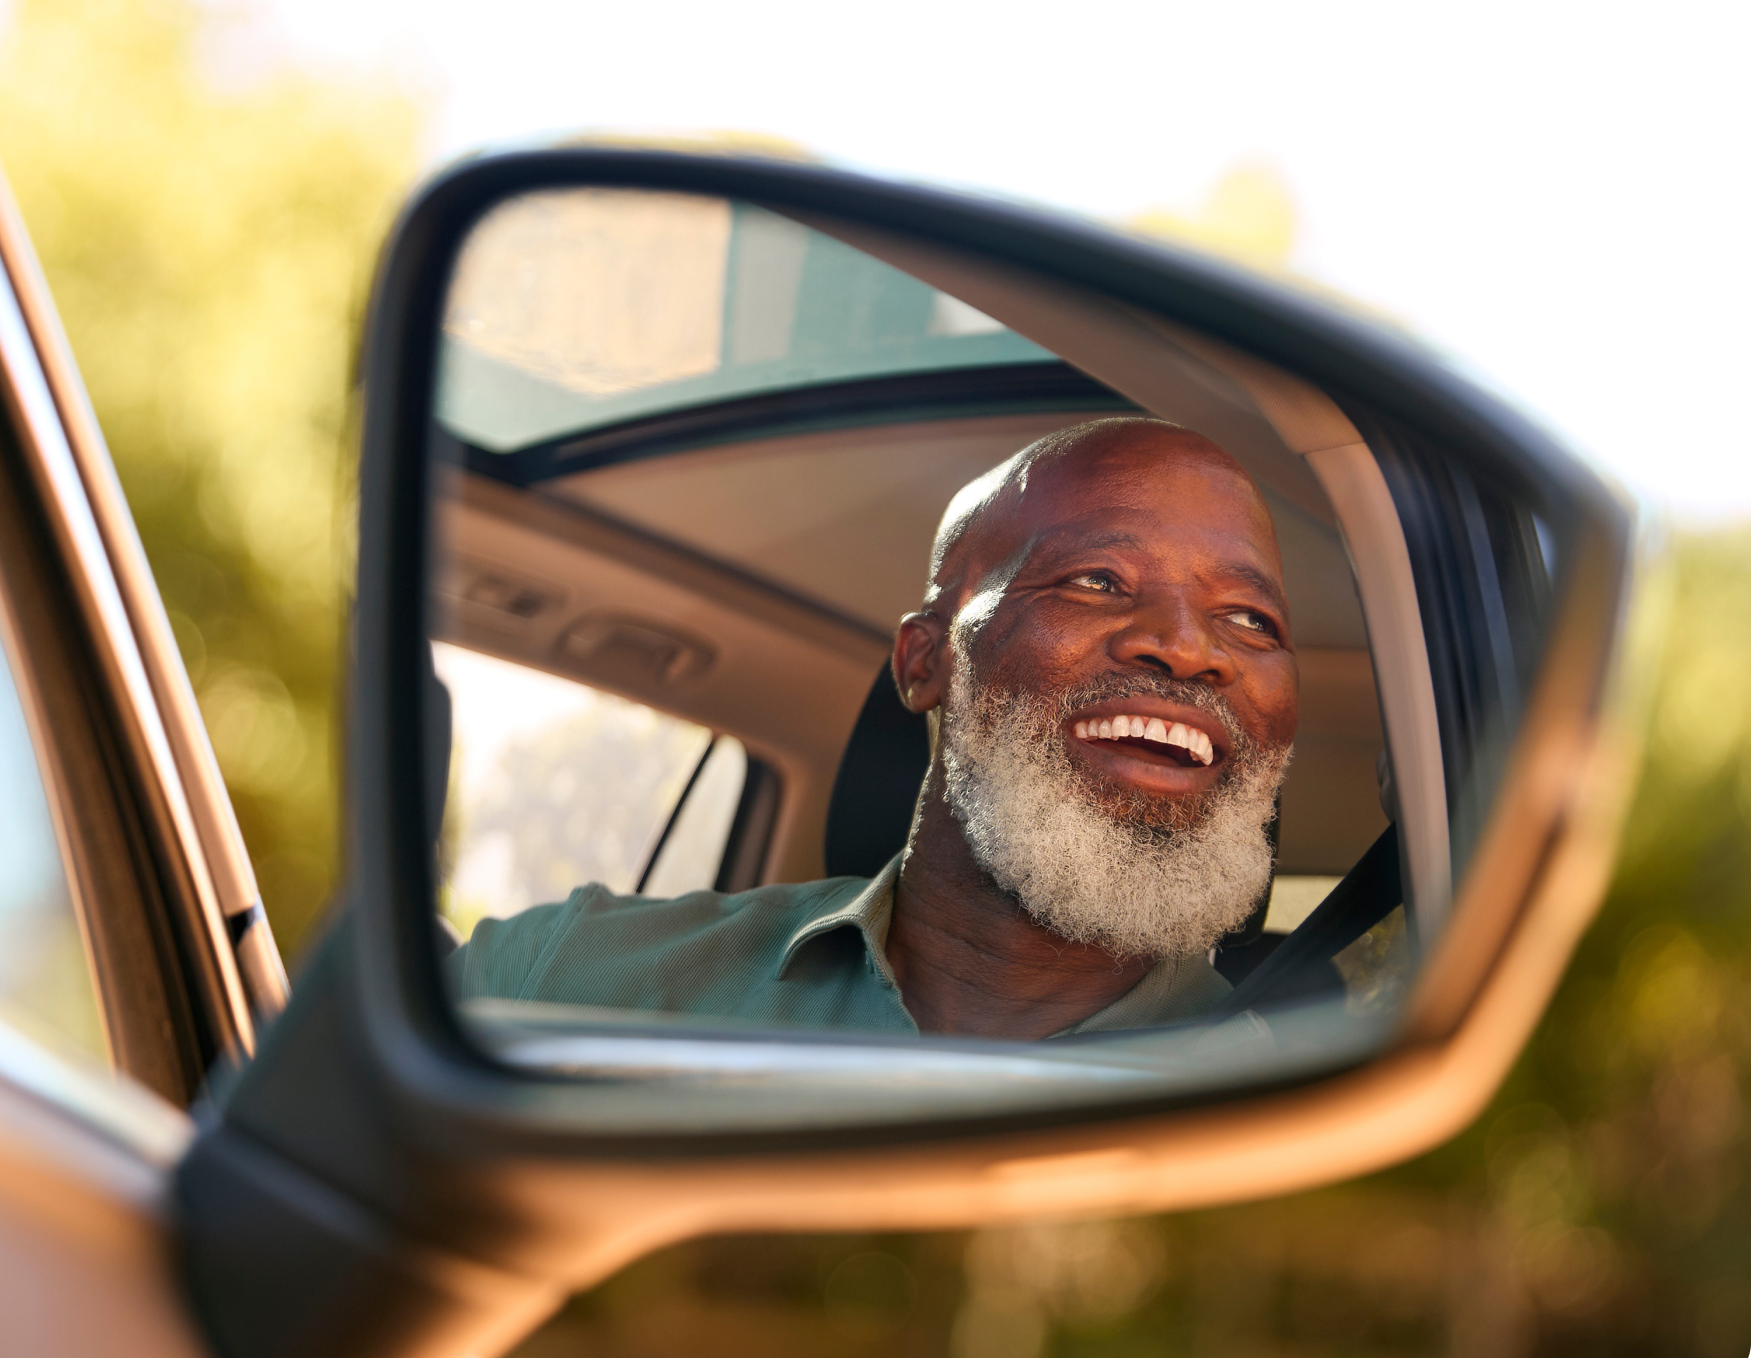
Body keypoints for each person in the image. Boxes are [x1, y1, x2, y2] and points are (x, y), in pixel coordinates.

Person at [448, 417, 1299, 1039]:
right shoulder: (567, 980)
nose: (1189, 649)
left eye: (1252, 619)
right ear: (924, 663)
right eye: (1099, 580)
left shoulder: (1298, 1118)